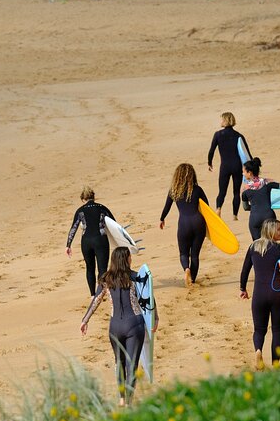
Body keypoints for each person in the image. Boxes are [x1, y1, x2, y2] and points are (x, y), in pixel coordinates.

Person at [80, 247, 159, 406]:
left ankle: (121, 397)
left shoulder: (105, 279)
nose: (131, 259)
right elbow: (149, 297)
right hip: (134, 325)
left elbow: (96, 300)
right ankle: (128, 401)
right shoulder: (136, 277)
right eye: (130, 257)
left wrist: (85, 320)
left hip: (114, 327)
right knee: (132, 365)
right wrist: (155, 318)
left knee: (119, 362)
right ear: (126, 259)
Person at [240, 219, 280, 370]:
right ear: (271, 231)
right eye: (279, 229)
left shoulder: (253, 247)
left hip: (259, 295)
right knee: (277, 329)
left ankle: (258, 351)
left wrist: (243, 288)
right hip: (278, 295)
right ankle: (275, 365)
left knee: (259, 329)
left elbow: (245, 270)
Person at [160, 163, 209, 286]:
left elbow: (167, 207)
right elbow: (207, 207)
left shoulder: (174, 190)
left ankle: (186, 269)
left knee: (183, 253)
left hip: (184, 224)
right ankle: (192, 279)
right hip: (198, 222)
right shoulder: (197, 189)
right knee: (195, 255)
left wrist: (162, 219)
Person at [66, 186, 115, 296]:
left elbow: (74, 228)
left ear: (83, 199)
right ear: (93, 197)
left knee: (90, 268)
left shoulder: (80, 210)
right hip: (100, 239)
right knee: (102, 268)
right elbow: (114, 224)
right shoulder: (102, 208)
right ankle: (101, 292)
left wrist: (68, 245)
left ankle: (92, 295)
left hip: (86, 241)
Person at [207, 112, 252, 220]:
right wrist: (250, 167)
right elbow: (247, 153)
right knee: (236, 192)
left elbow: (211, 151)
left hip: (225, 167)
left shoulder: (218, 134)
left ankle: (218, 208)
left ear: (224, 120)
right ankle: (235, 216)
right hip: (237, 167)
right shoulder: (239, 136)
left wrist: (210, 163)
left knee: (222, 191)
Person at [241, 158, 279, 241]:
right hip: (269, 216)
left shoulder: (245, 189)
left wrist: (256, 206)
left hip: (255, 218)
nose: (243, 174)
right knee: (272, 243)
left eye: (244, 171)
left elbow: (245, 207)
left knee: (258, 245)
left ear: (249, 172)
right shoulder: (268, 182)